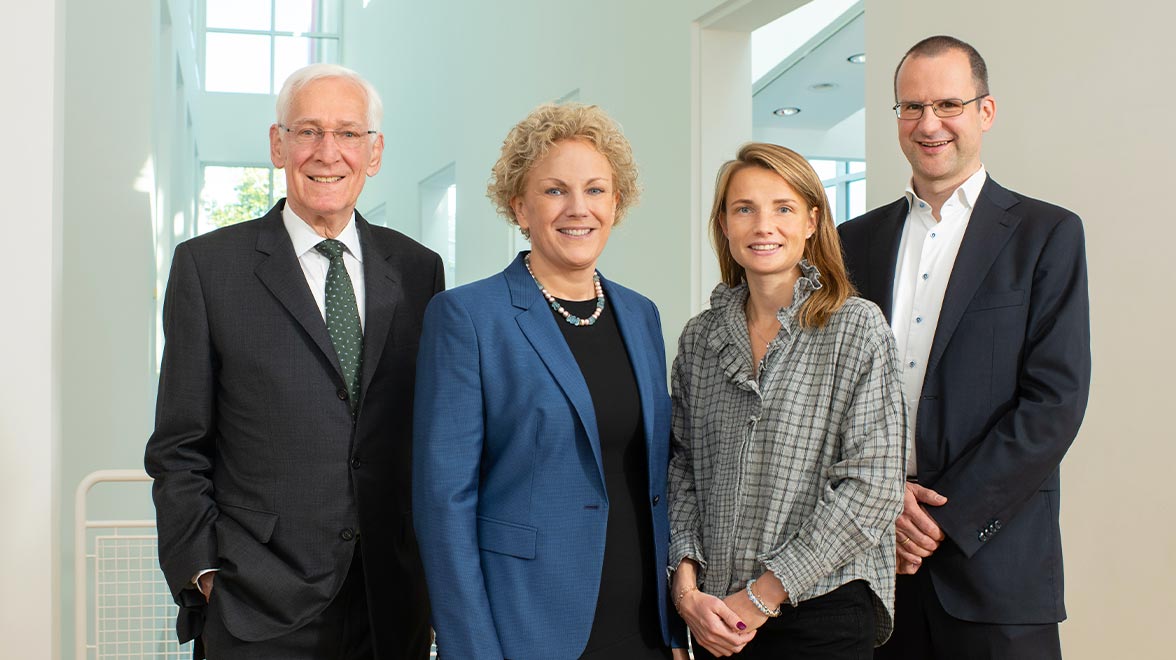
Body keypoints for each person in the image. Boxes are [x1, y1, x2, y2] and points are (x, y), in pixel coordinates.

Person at [144, 63, 442, 659]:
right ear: (278, 144)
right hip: (257, 607)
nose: (328, 152)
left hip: (390, 605)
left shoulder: (418, 270)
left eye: (349, 134)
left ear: (374, 152)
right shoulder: (209, 269)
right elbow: (179, 446)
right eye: (308, 131)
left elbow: (425, 433)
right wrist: (204, 575)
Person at [838, 36, 1091, 660]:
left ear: (986, 111)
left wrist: (939, 520)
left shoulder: (1046, 233)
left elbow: (1053, 403)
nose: (929, 124)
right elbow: (834, 395)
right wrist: (883, 497)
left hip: (996, 572)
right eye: (911, 107)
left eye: (949, 104)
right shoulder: (852, 242)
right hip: (874, 568)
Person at [412, 103, 686, 660]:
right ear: (520, 207)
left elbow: (652, 478)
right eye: (556, 191)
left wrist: (672, 633)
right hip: (528, 630)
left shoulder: (641, 315)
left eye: (596, 190)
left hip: (643, 629)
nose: (579, 209)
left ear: (617, 202)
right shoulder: (468, 316)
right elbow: (444, 505)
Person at [668, 143, 907, 659]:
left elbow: (873, 487)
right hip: (720, 620)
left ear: (812, 221)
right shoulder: (699, 339)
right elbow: (682, 470)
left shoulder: (857, 327)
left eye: (783, 208)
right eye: (744, 209)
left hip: (824, 611)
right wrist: (687, 591)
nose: (763, 225)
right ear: (725, 224)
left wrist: (763, 595)